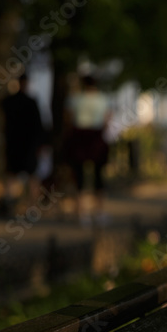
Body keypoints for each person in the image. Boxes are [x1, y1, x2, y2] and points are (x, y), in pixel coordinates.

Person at [65, 74, 111, 224]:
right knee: (98, 174)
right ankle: (99, 211)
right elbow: (107, 119)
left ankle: (82, 212)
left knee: (79, 174)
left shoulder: (75, 99)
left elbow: (69, 118)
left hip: (79, 135)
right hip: (96, 135)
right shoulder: (102, 99)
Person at [1, 73, 44, 214]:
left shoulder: (10, 102)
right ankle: (31, 207)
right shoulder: (31, 102)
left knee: (13, 175)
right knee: (30, 176)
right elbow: (39, 126)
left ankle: (11, 206)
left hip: (15, 144)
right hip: (27, 145)